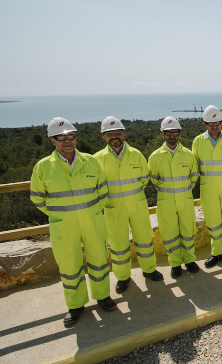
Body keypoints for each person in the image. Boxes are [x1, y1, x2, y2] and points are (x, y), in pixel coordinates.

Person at [30, 117, 117, 326]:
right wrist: (58, 215)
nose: (67, 141)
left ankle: (103, 296)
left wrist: (94, 211)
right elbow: (37, 197)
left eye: (70, 136)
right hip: (64, 225)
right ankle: (75, 305)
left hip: (92, 220)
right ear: (53, 141)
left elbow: (102, 190)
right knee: (70, 265)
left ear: (76, 138)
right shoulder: (43, 167)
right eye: (61, 137)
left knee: (99, 260)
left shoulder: (90, 161)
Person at [94, 117, 163, 294]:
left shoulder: (136, 154)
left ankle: (149, 270)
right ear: (104, 138)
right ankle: (123, 277)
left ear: (124, 135)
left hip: (137, 205)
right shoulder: (97, 160)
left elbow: (144, 178)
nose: (114, 137)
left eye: (117, 133)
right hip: (113, 207)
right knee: (118, 244)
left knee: (144, 239)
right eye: (110, 134)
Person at [148, 116, 200, 278]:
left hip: (184, 199)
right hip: (166, 202)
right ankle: (175, 263)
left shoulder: (188, 155)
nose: (172, 136)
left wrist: (182, 190)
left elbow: (194, 177)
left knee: (188, 231)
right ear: (163, 134)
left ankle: (190, 260)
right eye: (168, 133)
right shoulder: (155, 157)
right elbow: (154, 179)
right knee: (169, 233)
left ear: (179, 134)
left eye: (175, 132)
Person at [192, 105, 222, 267]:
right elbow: (195, 166)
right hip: (208, 188)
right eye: (211, 123)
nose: (215, 126)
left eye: (218, 123)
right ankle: (217, 253)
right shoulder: (198, 142)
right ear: (205, 124)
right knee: (213, 221)